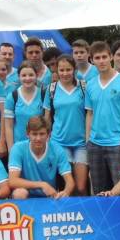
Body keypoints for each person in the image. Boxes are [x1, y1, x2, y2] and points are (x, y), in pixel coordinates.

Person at [84, 41, 120, 194]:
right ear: (92, 60)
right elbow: (90, 113)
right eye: (97, 58)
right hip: (95, 144)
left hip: (117, 143)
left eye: (104, 57)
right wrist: (88, 140)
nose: (101, 61)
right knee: (98, 190)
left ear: (111, 57)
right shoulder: (90, 84)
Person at [43, 55, 88, 196]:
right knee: (65, 186)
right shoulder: (51, 89)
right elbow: (47, 117)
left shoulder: (83, 87)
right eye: (61, 70)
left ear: (74, 69)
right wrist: (46, 139)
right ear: (56, 70)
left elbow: (90, 113)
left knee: (81, 187)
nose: (65, 73)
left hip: (81, 143)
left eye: (68, 69)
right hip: (59, 142)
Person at [8, 116, 75, 199]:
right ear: (27, 134)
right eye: (34, 134)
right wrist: (42, 185)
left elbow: (69, 181)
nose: (38, 138)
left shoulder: (57, 150)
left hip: (50, 196)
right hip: (26, 195)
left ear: (48, 135)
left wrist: (66, 192)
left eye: (42, 134)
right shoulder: (18, 148)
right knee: (19, 193)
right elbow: (12, 181)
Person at [4, 61, 45, 149]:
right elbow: (9, 127)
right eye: (24, 75)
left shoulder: (44, 95)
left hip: (40, 146)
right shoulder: (12, 97)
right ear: (18, 76)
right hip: (19, 146)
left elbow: (48, 122)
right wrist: (11, 150)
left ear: (37, 75)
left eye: (31, 75)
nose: (27, 78)